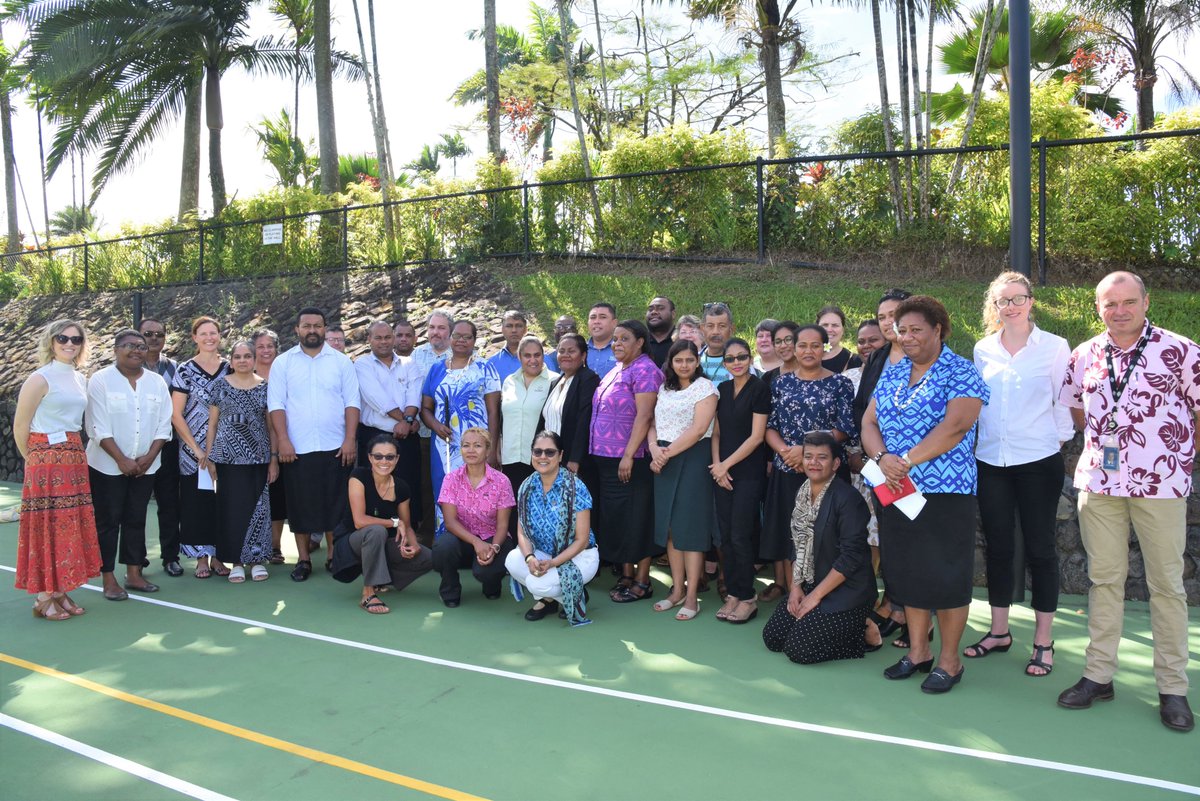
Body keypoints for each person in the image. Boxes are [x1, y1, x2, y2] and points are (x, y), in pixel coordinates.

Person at [1057, 271, 1198, 732]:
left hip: (1161, 485)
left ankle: (1172, 688)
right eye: (1109, 304)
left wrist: (1178, 455)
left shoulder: (1181, 350)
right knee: (1104, 581)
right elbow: (1077, 409)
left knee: (1166, 585)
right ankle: (1099, 675)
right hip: (1100, 485)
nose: (1119, 311)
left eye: (1128, 302)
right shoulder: (1085, 355)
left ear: (1146, 301)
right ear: (1098, 307)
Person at [861, 295, 988, 695]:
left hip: (945, 491)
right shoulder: (894, 372)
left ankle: (950, 661)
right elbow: (869, 421)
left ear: (939, 330)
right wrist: (882, 458)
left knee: (947, 575)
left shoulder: (961, 371)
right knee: (907, 570)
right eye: (903, 330)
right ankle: (918, 652)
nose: (908, 336)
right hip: (896, 490)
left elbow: (956, 426)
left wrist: (907, 460)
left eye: (917, 329)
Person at [969, 271, 1073, 676]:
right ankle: (999, 632)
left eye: (1018, 298)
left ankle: (1043, 641)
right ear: (993, 308)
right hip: (992, 461)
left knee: (1041, 549)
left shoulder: (1055, 347)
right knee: (998, 547)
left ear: (1031, 302)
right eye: (1002, 301)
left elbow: (1064, 400)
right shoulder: (982, 349)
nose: (1010, 306)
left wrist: (1057, 440)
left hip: (1039, 461)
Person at [762, 432, 877, 664]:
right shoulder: (803, 492)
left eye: (822, 457)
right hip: (812, 581)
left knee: (799, 650)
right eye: (808, 456)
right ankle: (838, 622)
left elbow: (851, 558)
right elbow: (797, 544)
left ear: (835, 464)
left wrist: (814, 597)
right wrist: (795, 589)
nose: (813, 463)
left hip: (846, 590)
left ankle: (859, 633)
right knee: (773, 638)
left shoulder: (848, 500)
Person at [761, 323, 856, 601]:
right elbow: (770, 427)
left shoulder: (840, 383)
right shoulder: (780, 383)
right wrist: (784, 451)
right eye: (802, 345)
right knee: (792, 539)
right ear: (794, 348)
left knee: (824, 539)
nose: (808, 350)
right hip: (788, 470)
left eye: (816, 345)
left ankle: (825, 599)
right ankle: (795, 597)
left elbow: (844, 427)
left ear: (825, 348)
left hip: (825, 473)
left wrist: (806, 451)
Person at [14, 320, 101, 620]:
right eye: (62, 338)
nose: (69, 343)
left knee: (68, 526)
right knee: (46, 527)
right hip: (45, 461)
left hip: (74, 458)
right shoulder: (39, 378)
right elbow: (20, 427)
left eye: (76, 339)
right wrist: (35, 460)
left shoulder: (80, 379)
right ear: (51, 341)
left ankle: (60, 589)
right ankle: (43, 595)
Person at [268, 307, 360, 582]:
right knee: (300, 505)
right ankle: (304, 560)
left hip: (336, 446)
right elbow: (276, 405)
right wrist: (283, 440)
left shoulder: (342, 362)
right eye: (306, 326)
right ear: (297, 330)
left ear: (324, 328)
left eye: (317, 326)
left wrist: (349, 439)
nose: (311, 330)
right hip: (296, 449)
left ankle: (333, 555)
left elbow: (352, 403)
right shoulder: (283, 363)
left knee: (336, 504)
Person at [86, 329, 173, 600]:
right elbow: (96, 426)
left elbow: (164, 424)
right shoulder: (100, 380)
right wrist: (122, 459)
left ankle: (134, 573)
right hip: (107, 466)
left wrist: (148, 457)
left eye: (141, 346)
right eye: (129, 345)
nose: (136, 350)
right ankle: (108, 577)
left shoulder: (157, 382)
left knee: (136, 519)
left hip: (147, 465)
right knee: (108, 522)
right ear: (115, 349)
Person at [851, 288, 912, 646]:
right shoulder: (879, 358)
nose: (889, 323)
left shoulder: (925, 357)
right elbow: (864, 410)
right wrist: (869, 453)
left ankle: (909, 609)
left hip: (911, 466)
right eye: (884, 316)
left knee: (909, 539)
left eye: (896, 315)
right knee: (886, 536)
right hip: (877, 463)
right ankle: (893, 603)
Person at [590, 319, 664, 603]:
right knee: (619, 520)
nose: (616, 344)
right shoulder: (617, 369)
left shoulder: (645, 370)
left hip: (631, 459)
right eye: (615, 339)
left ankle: (642, 581)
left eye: (623, 339)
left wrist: (629, 454)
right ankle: (627, 574)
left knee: (637, 518)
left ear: (640, 342)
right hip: (606, 460)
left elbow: (645, 416)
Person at [648, 340, 718, 620]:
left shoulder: (706, 388)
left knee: (690, 528)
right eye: (679, 360)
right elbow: (653, 424)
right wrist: (654, 449)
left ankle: (692, 597)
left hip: (692, 458)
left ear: (697, 362)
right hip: (663, 457)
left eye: (690, 360)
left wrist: (665, 455)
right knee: (670, 529)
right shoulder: (664, 388)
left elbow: (699, 428)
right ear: (671, 362)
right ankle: (676, 590)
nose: (685, 365)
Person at [331, 434, 433, 614]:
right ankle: (368, 593)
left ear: (397, 459)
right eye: (378, 456)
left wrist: (414, 545)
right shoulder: (358, 477)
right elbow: (359, 521)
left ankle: (381, 578)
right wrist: (393, 522)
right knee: (376, 531)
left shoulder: (402, 487)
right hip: (350, 544)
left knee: (428, 557)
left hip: (381, 545)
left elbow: (407, 526)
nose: (383, 461)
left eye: (389, 457)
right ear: (370, 457)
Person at [507, 431, 600, 626]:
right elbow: (522, 532)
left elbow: (582, 540)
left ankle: (575, 595)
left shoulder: (576, 487)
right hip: (544, 553)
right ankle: (551, 599)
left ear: (560, 456)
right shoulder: (526, 486)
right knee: (513, 561)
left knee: (535, 583)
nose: (542, 457)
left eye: (550, 452)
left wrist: (553, 563)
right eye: (537, 451)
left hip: (579, 556)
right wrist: (530, 558)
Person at [204, 340, 277, 583]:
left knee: (258, 509)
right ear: (231, 360)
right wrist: (210, 457)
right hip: (227, 459)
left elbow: (270, 427)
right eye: (238, 356)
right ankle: (235, 560)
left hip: (259, 458)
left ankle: (256, 560)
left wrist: (274, 459)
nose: (243, 360)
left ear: (255, 359)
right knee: (232, 510)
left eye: (247, 356)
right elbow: (212, 425)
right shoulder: (219, 386)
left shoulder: (265, 387)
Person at [421, 319, 502, 533]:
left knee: (478, 489)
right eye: (457, 335)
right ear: (450, 338)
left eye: (467, 337)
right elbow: (425, 408)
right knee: (446, 490)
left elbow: (494, 411)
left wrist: (492, 449)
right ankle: (446, 541)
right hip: (445, 445)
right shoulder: (437, 369)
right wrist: (436, 426)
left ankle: (480, 539)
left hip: (477, 444)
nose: (461, 341)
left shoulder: (485, 368)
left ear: (474, 341)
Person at [711, 337, 771, 624]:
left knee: (740, 535)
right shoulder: (722, 389)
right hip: (721, 473)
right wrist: (717, 468)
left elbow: (757, 437)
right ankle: (734, 592)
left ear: (750, 358)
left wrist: (726, 465)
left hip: (747, 473)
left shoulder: (760, 389)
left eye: (742, 357)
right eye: (731, 359)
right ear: (724, 363)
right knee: (726, 536)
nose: (737, 363)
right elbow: (717, 434)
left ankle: (747, 597)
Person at [171, 316, 231, 579]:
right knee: (197, 504)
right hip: (192, 452)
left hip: (226, 449)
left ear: (220, 336)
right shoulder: (184, 370)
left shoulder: (230, 368)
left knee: (224, 503)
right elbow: (176, 414)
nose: (209, 337)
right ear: (194, 338)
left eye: (213, 333)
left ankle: (220, 555)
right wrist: (197, 450)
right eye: (203, 333)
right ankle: (201, 558)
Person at [432, 428, 515, 607]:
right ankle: (450, 589)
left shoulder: (502, 481)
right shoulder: (451, 479)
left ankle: (492, 584)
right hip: (461, 538)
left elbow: (502, 526)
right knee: (444, 547)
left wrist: (494, 547)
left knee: (486, 573)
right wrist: (476, 542)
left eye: (477, 446)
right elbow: (450, 522)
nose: (471, 450)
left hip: (493, 538)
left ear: (487, 450)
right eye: (466, 445)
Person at [355, 321, 424, 532]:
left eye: (387, 337)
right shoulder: (362, 365)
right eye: (378, 338)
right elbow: (377, 398)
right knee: (376, 487)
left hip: (406, 436)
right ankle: (378, 533)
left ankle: (409, 533)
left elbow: (415, 393)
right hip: (374, 436)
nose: (383, 342)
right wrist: (405, 420)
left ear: (393, 338)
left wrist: (409, 421)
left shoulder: (409, 363)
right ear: (369, 340)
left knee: (408, 485)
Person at [139, 317, 183, 577]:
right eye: (148, 333)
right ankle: (137, 560)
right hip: (136, 448)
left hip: (167, 447)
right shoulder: (127, 367)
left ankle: (170, 557)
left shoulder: (175, 368)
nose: (154, 338)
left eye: (159, 334)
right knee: (136, 506)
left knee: (169, 505)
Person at [499, 335, 556, 530]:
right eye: (527, 355)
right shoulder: (509, 381)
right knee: (514, 507)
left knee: (539, 509)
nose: (533, 360)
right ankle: (517, 553)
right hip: (510, 457)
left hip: (540, 459)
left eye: (537, 355)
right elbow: (502, 418)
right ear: (519, 356)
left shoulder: (555, 381)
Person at [537, 332, 600, 498]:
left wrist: (575, 458)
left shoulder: (588, 379)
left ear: (583, 355)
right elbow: (544, 420)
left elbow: (584, 419)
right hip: (551, 459)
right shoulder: (556, 381)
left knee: (574, 509)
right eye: (561, 351)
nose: (565, 355)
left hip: (573, 461)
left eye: (571, 351)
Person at [411, 311, 455, 540]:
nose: (435, 332)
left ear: (450, 332)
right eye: (432, 327)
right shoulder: (416, 356)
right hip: (423, 432)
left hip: (455, 436)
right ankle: (428, 535)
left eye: (441, 328)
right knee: (426, 486)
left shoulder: (463, 357)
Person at [252, 328, 288, 565]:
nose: (266, 351)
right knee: (253, 498)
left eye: (270, 346)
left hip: (283, 443)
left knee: (277, 497)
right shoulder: (241, 372)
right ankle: (253, 547)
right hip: (251, 446)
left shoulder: (284, 372)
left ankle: (275, 547)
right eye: (261, 346)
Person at [486, 310, 529, 383]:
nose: (514, 330)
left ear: (525, 329)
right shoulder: (492, 364)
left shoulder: (541, 359)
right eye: (509, 326)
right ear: (502, 329)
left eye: (519, 326)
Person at [818, 305, 863, 374]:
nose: (829, 330)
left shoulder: (856, 362)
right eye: (825, 325)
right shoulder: (804, 358)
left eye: (835, 325)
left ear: (843, 330)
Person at [698, 301, 734, 384]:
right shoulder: (692, 361)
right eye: (710, 326)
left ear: (731, 329)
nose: (715, 332)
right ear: (702, 329)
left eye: (722, 326)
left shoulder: (740, 363)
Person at [586, 302, 618, 379]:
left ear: (614, 323)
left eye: (603, 317)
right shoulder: (580, 350)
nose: (596, 321)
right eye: (593, 317)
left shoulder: (621, 349)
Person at [645, 296, 676, 367]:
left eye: (660, 308)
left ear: (673, 314)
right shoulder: (639, 342)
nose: (654, 312)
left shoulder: (681, 339)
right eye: (650, 309)